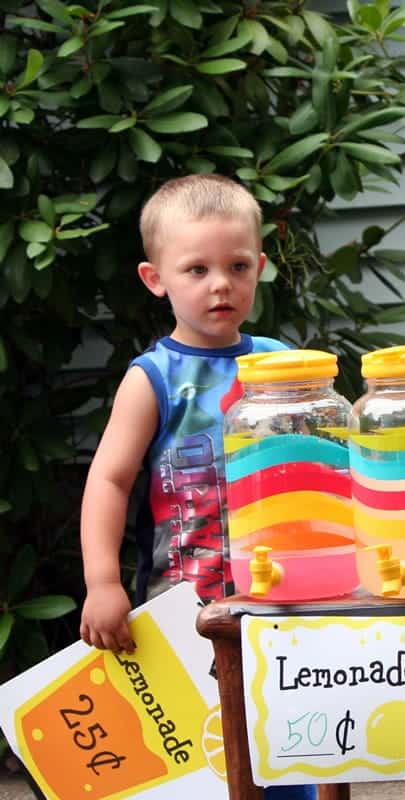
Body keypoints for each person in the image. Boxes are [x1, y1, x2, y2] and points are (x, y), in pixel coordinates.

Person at [78, 174, 314, 799]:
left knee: (292, 745)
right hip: (183, 610)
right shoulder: (152, 377)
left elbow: (319, 471)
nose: (220, 284)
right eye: (197, 269)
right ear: (156, 279)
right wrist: (102, 584)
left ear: (260, 268)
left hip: (283, 605)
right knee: (200, 764)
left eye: (238, 266)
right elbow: (108, 479)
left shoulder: (280, 365)